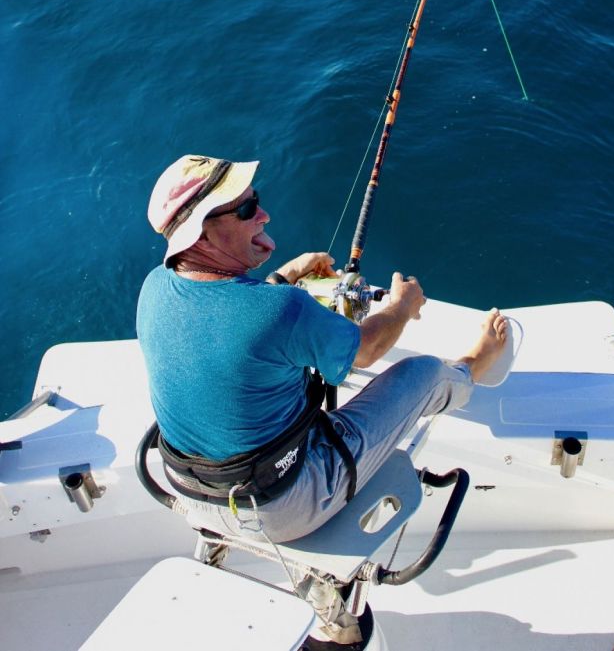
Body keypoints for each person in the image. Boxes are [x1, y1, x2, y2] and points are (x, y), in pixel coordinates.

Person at [137, 154, 509, 543]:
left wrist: (282, 276)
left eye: (256, 199)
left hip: (189, 493)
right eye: (246, 209)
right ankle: (473, 368)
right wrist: (403, 305)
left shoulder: (153, 287)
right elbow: (367, 349)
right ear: (202, 235)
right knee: (423, 374)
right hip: (282, 510)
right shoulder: (282, 310)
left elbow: (230, 327)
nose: (263, 215)